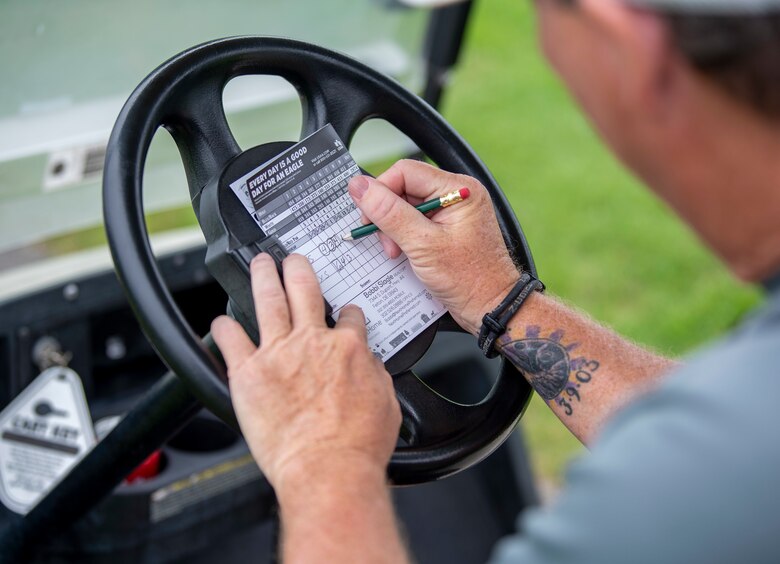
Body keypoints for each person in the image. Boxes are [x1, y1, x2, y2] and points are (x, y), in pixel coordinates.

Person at [211, 0, 780, 561]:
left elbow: (709, 463)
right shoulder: (739, 437)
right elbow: (703, 443)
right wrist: (498, 297)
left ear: (624, 41)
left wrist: (321, 456)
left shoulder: (688, 501)